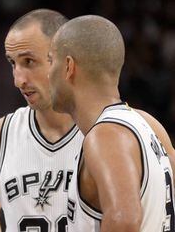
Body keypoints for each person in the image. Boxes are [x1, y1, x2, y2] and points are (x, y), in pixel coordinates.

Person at [48, 15, 175, 231]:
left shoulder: (106, 135)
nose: (47, 73)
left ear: (69, 67)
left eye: (51, 61)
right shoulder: (149, 124)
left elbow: (124, 221)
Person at [0, 9, 84, 232]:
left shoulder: (108, 131)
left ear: (65, 60)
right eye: (13, 63)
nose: (18, 80)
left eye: (29, 61)